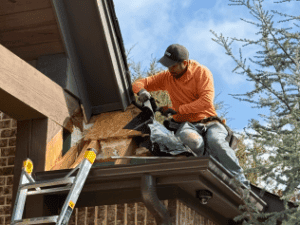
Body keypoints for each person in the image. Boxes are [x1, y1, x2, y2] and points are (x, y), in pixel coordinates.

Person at [132, 44, 250, 188]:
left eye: (173, 66)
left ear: (185, 63)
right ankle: (203, 177)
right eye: (167, 65)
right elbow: (139, 83)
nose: (170, 69)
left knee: (216, 142)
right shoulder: (167, 77)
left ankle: (242, 185)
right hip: (187, 125)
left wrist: (177, 110)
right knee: (193, 142)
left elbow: (206, 102)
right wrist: (142, 91)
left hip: (211, 123)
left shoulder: (202, 73)